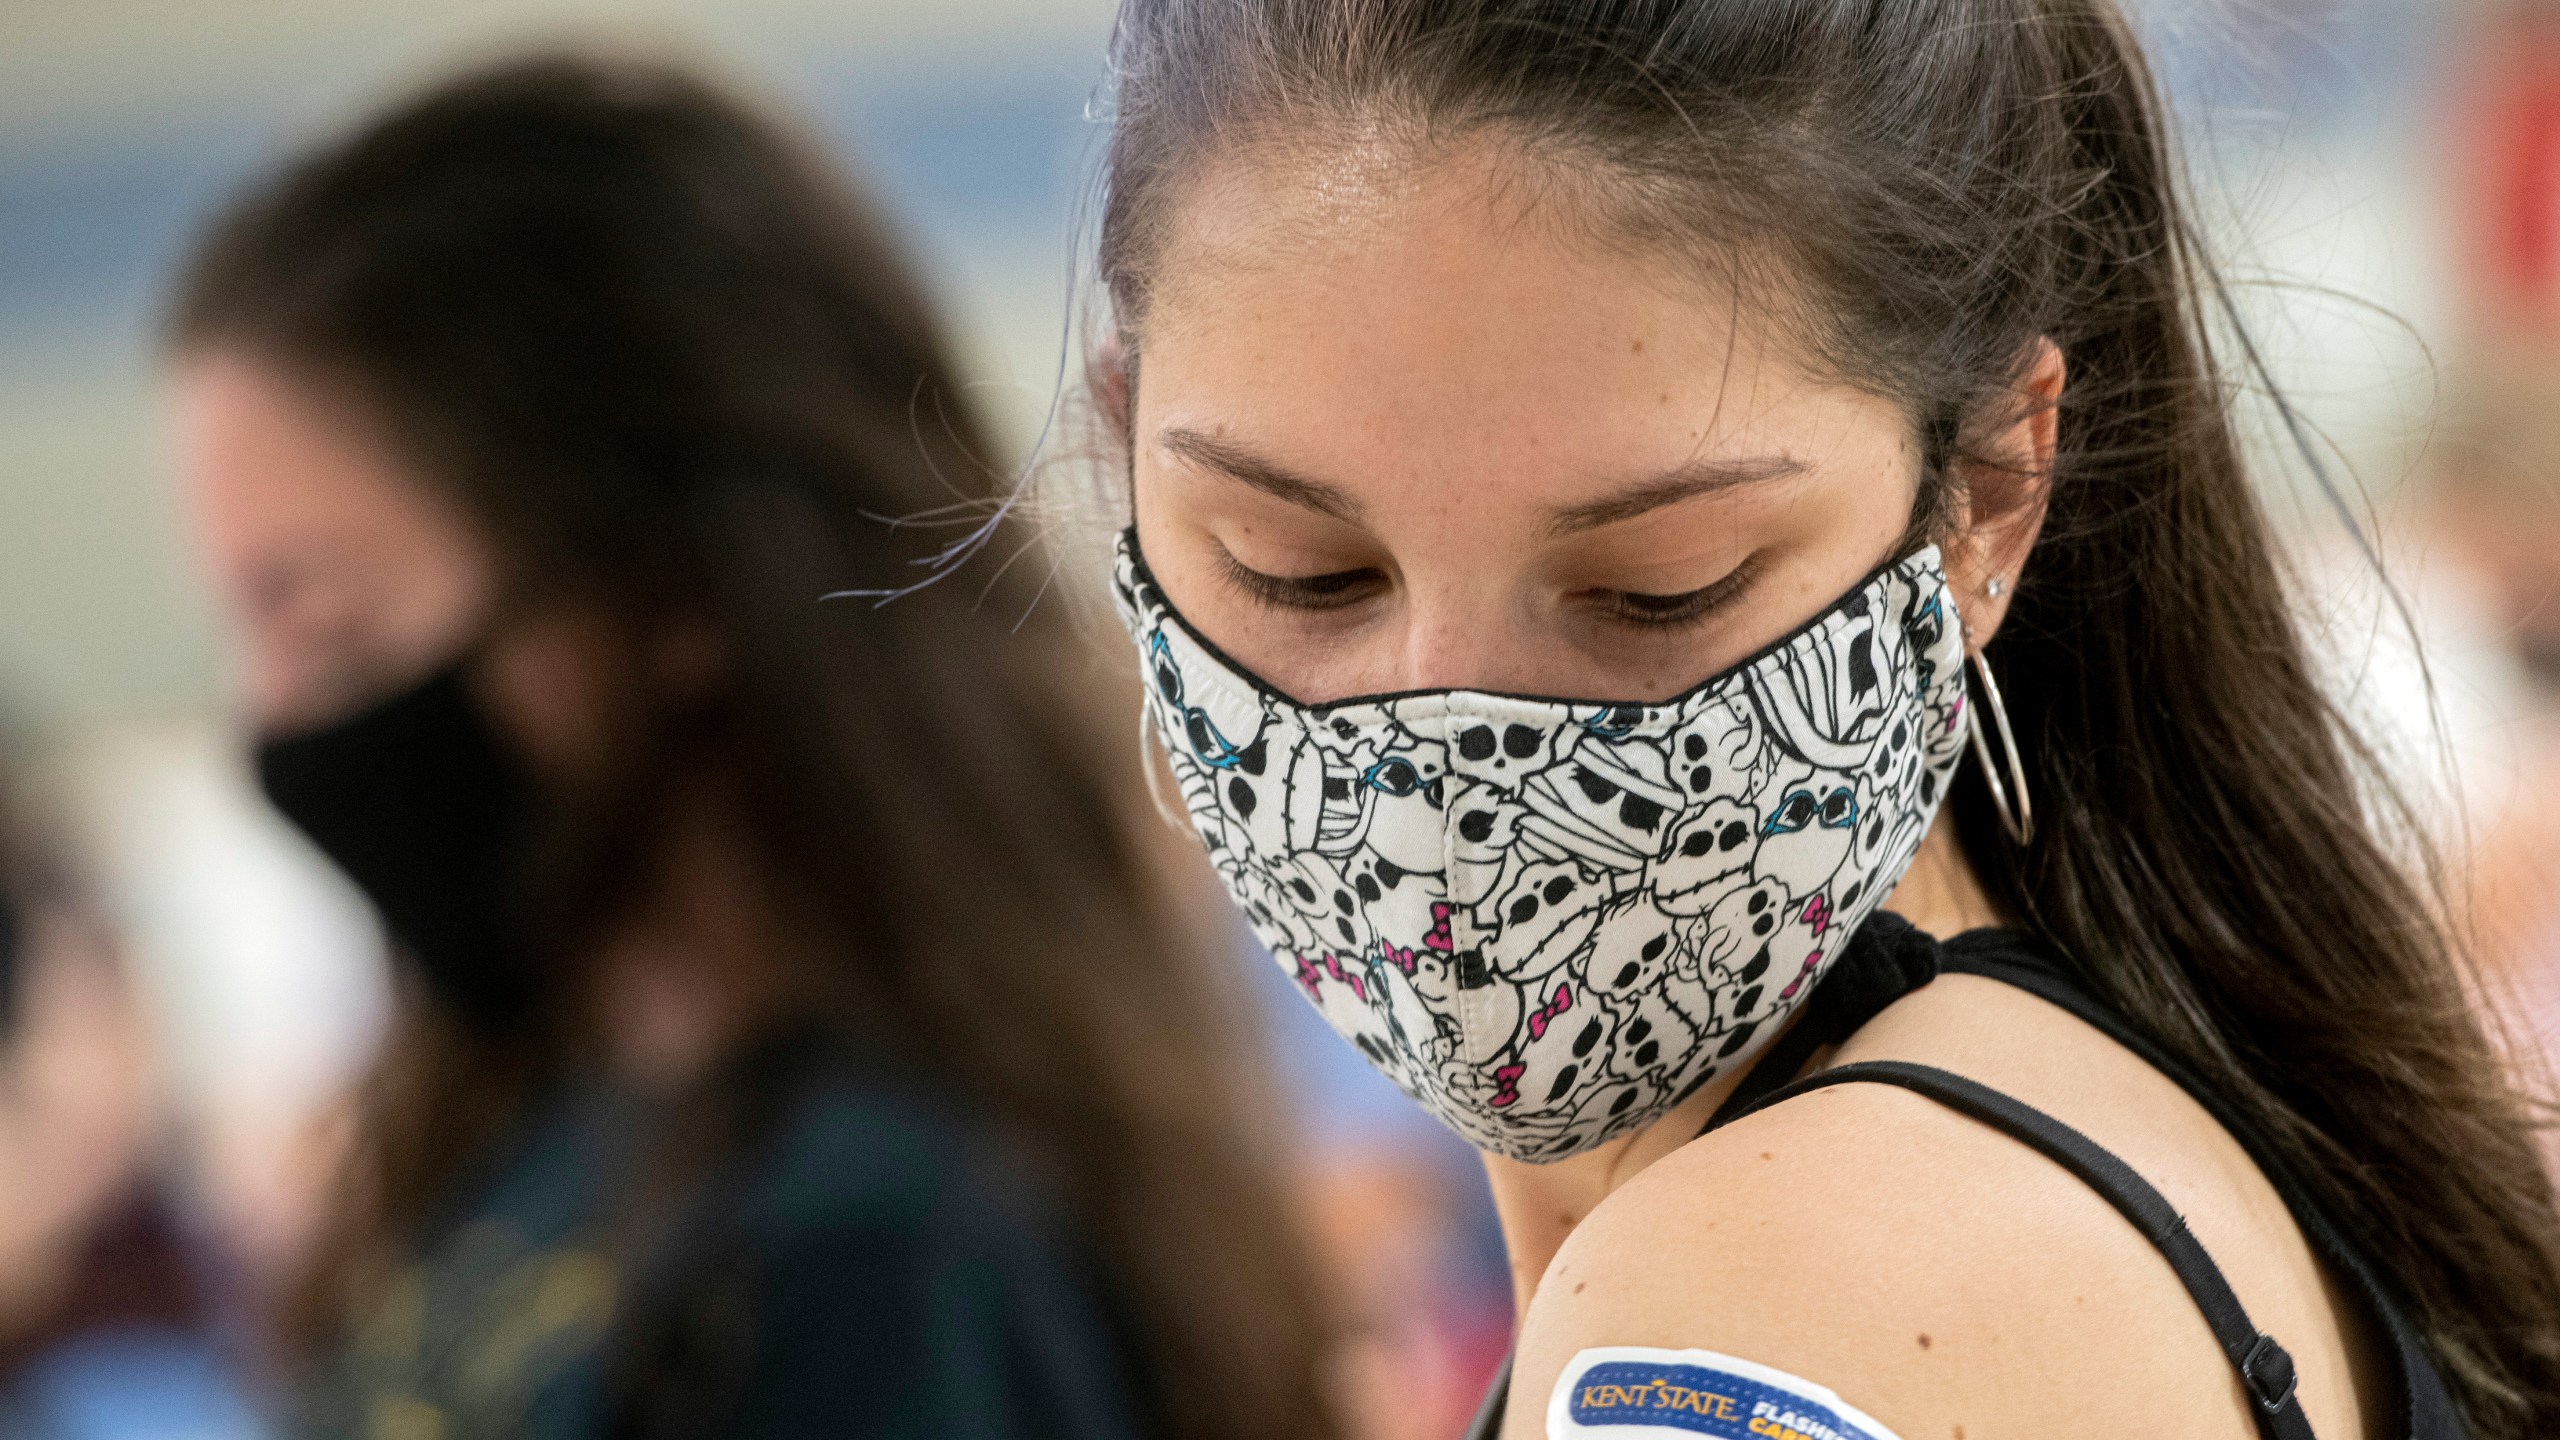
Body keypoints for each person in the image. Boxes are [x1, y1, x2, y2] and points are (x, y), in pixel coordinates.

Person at [1067, 1, 2560, 1437]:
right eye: (1298, 572)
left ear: (1987, 493)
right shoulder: (2173, 1127)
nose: (1437, 761)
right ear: (1118, 441)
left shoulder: (1745, 1311)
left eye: (1659, 589)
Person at [167, 53, 1337, 1440]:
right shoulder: (544, 1115)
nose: (281, 725)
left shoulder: (879, 1247)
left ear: (664, 586)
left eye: (335, 635)